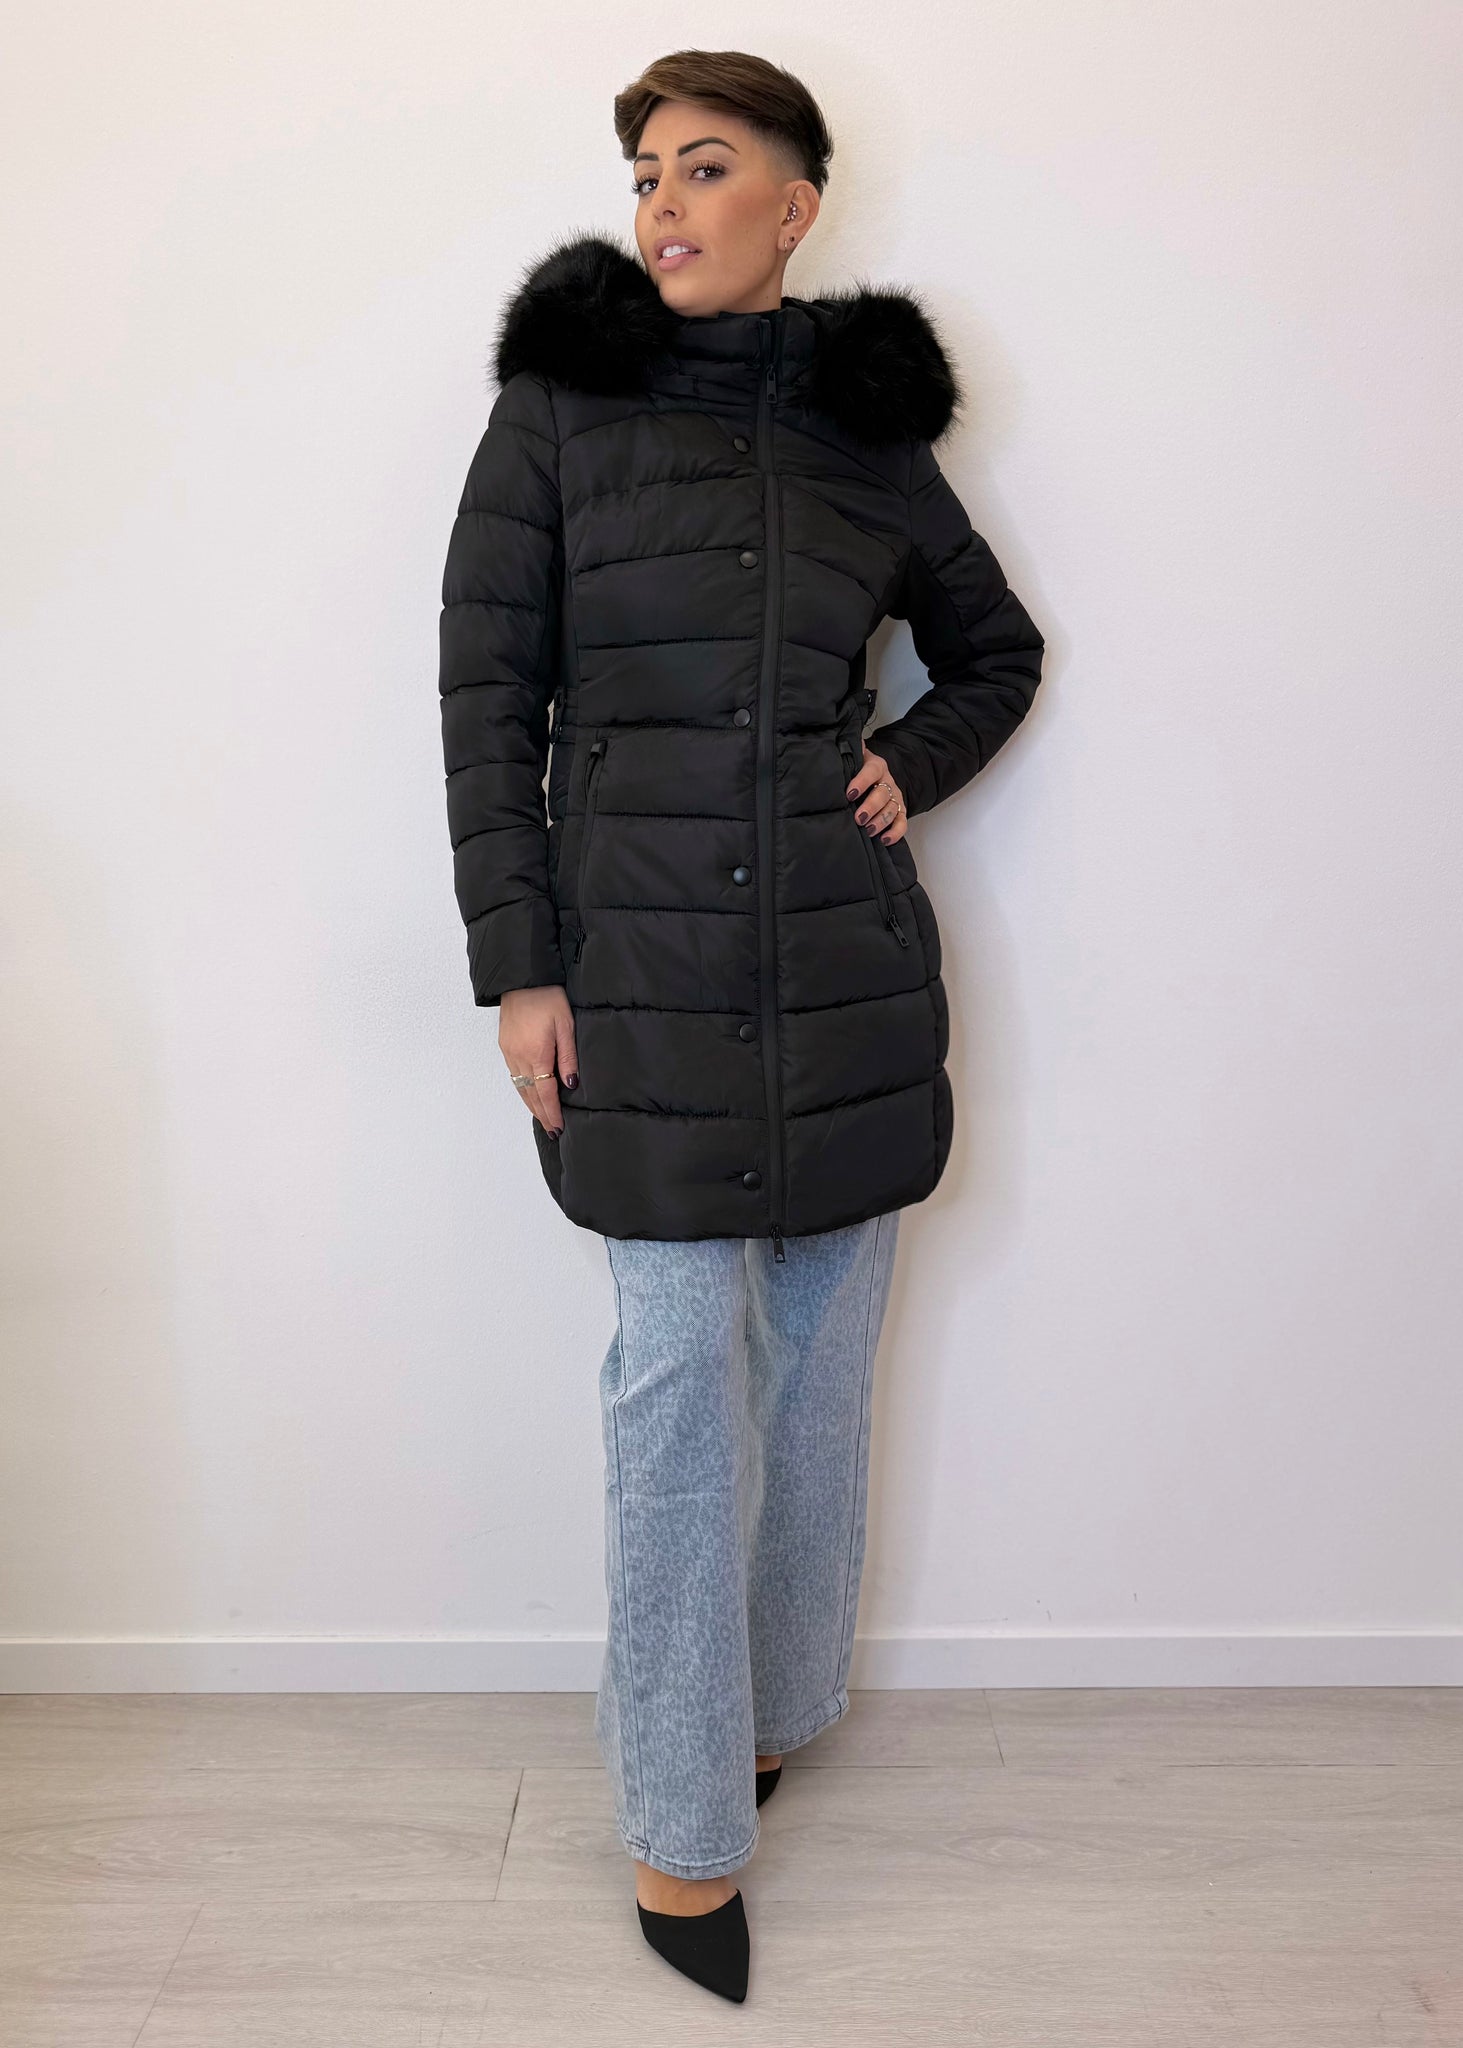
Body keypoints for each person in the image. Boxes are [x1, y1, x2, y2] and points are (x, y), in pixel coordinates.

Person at [437, 49, 1045, 2004]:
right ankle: (682, 1830)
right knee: (678, 1391)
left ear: (797, 205)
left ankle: (773, 1715)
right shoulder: (559, 409)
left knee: (821, 1379)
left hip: (846, 975)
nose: (663, 205)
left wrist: (907, 765)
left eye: (705, 170)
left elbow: (999, 648)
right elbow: (486, 700)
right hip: (641, 983)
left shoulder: (868, 432)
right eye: (643, 175)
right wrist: (521, 966)